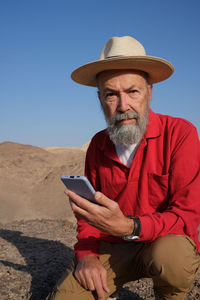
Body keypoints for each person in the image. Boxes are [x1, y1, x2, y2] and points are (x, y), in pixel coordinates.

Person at [47, 36, 200, 300]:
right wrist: (86, 256)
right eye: (111, 94)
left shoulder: (180, 134)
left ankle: (169, 295)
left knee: (174, 259)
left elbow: (187, 215)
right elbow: (87, 214)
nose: (123, 106)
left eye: (132, 91)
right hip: (114, 247)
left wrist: (132, 227)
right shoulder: (97, 144)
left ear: (149, 92)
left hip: (164, 243)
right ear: (100, 98)